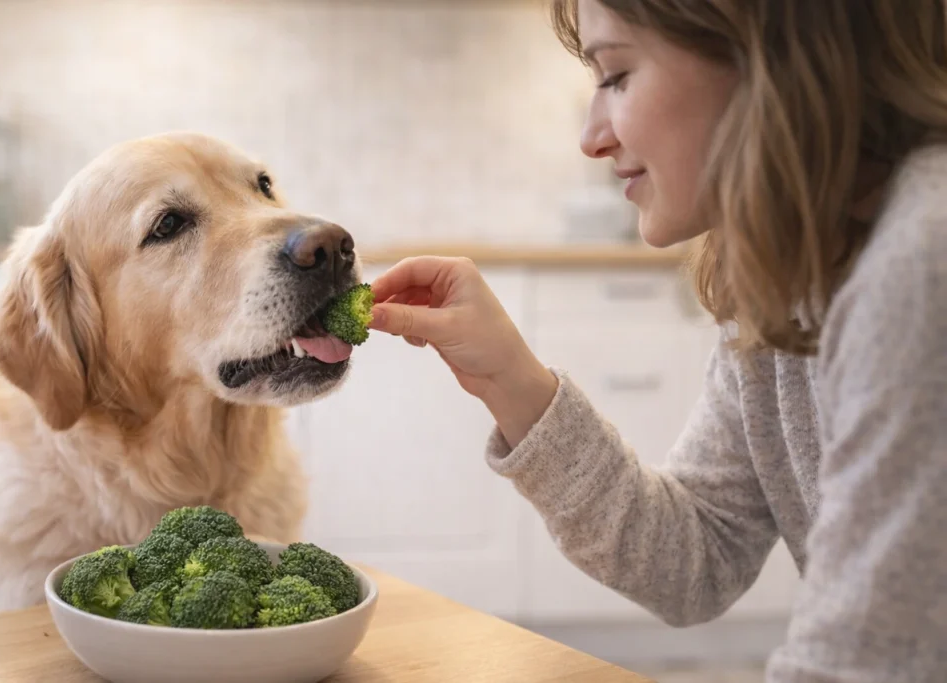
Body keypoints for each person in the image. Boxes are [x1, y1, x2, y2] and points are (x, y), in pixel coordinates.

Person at [366, 1, 947, 681]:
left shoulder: (921, 258)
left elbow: (861, 664)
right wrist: (511, 378)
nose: (591, 137)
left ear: (765, 56)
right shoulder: (787, 276)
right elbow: (696, 557)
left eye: (615, 75)